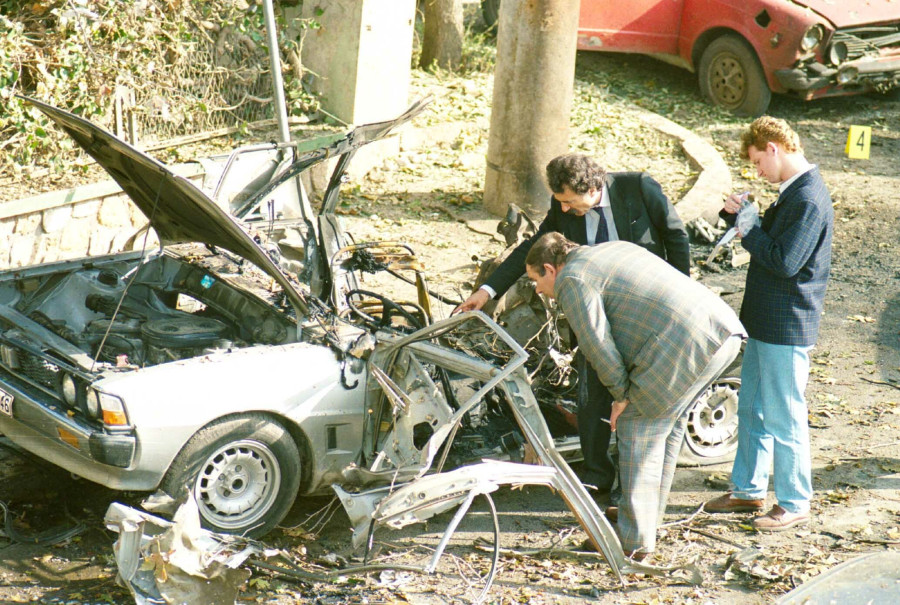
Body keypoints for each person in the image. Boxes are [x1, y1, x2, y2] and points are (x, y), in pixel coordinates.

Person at [456, 153, 690, 501]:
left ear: (593, 189)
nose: (564, 209)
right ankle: (596, 475)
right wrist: (487, 291)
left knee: (638, 400)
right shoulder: (562, 205)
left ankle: (633, 485)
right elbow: (532, 247)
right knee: (591, 394)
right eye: (560, 202)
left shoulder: (639, 188)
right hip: (592, 310)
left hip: (643, 312)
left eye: (569, 202)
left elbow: (677, 238)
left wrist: (679, 293)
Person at [524, 232, 745, 559]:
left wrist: (621, 396)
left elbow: (597, 345)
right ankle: (645, 522)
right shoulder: (611, 249)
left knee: (637, 427)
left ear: (549, 268)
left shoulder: (572, 279)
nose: (539, 290)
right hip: (722, 331)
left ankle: (633, 543)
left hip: (684, 345)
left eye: (536, 280)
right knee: (666, 428)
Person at [704, 116, 833, 531]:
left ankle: (795, 501)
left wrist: (749, 230)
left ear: (774, 148)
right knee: (753, 410)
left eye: (759, 161)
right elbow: (773, 242)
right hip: (765, 320)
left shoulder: (808, 198)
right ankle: (748, 489)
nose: (758, 171)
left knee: (784, 415)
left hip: (786, 324)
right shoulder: (793, 191)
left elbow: (785, 261)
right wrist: (741, 218)